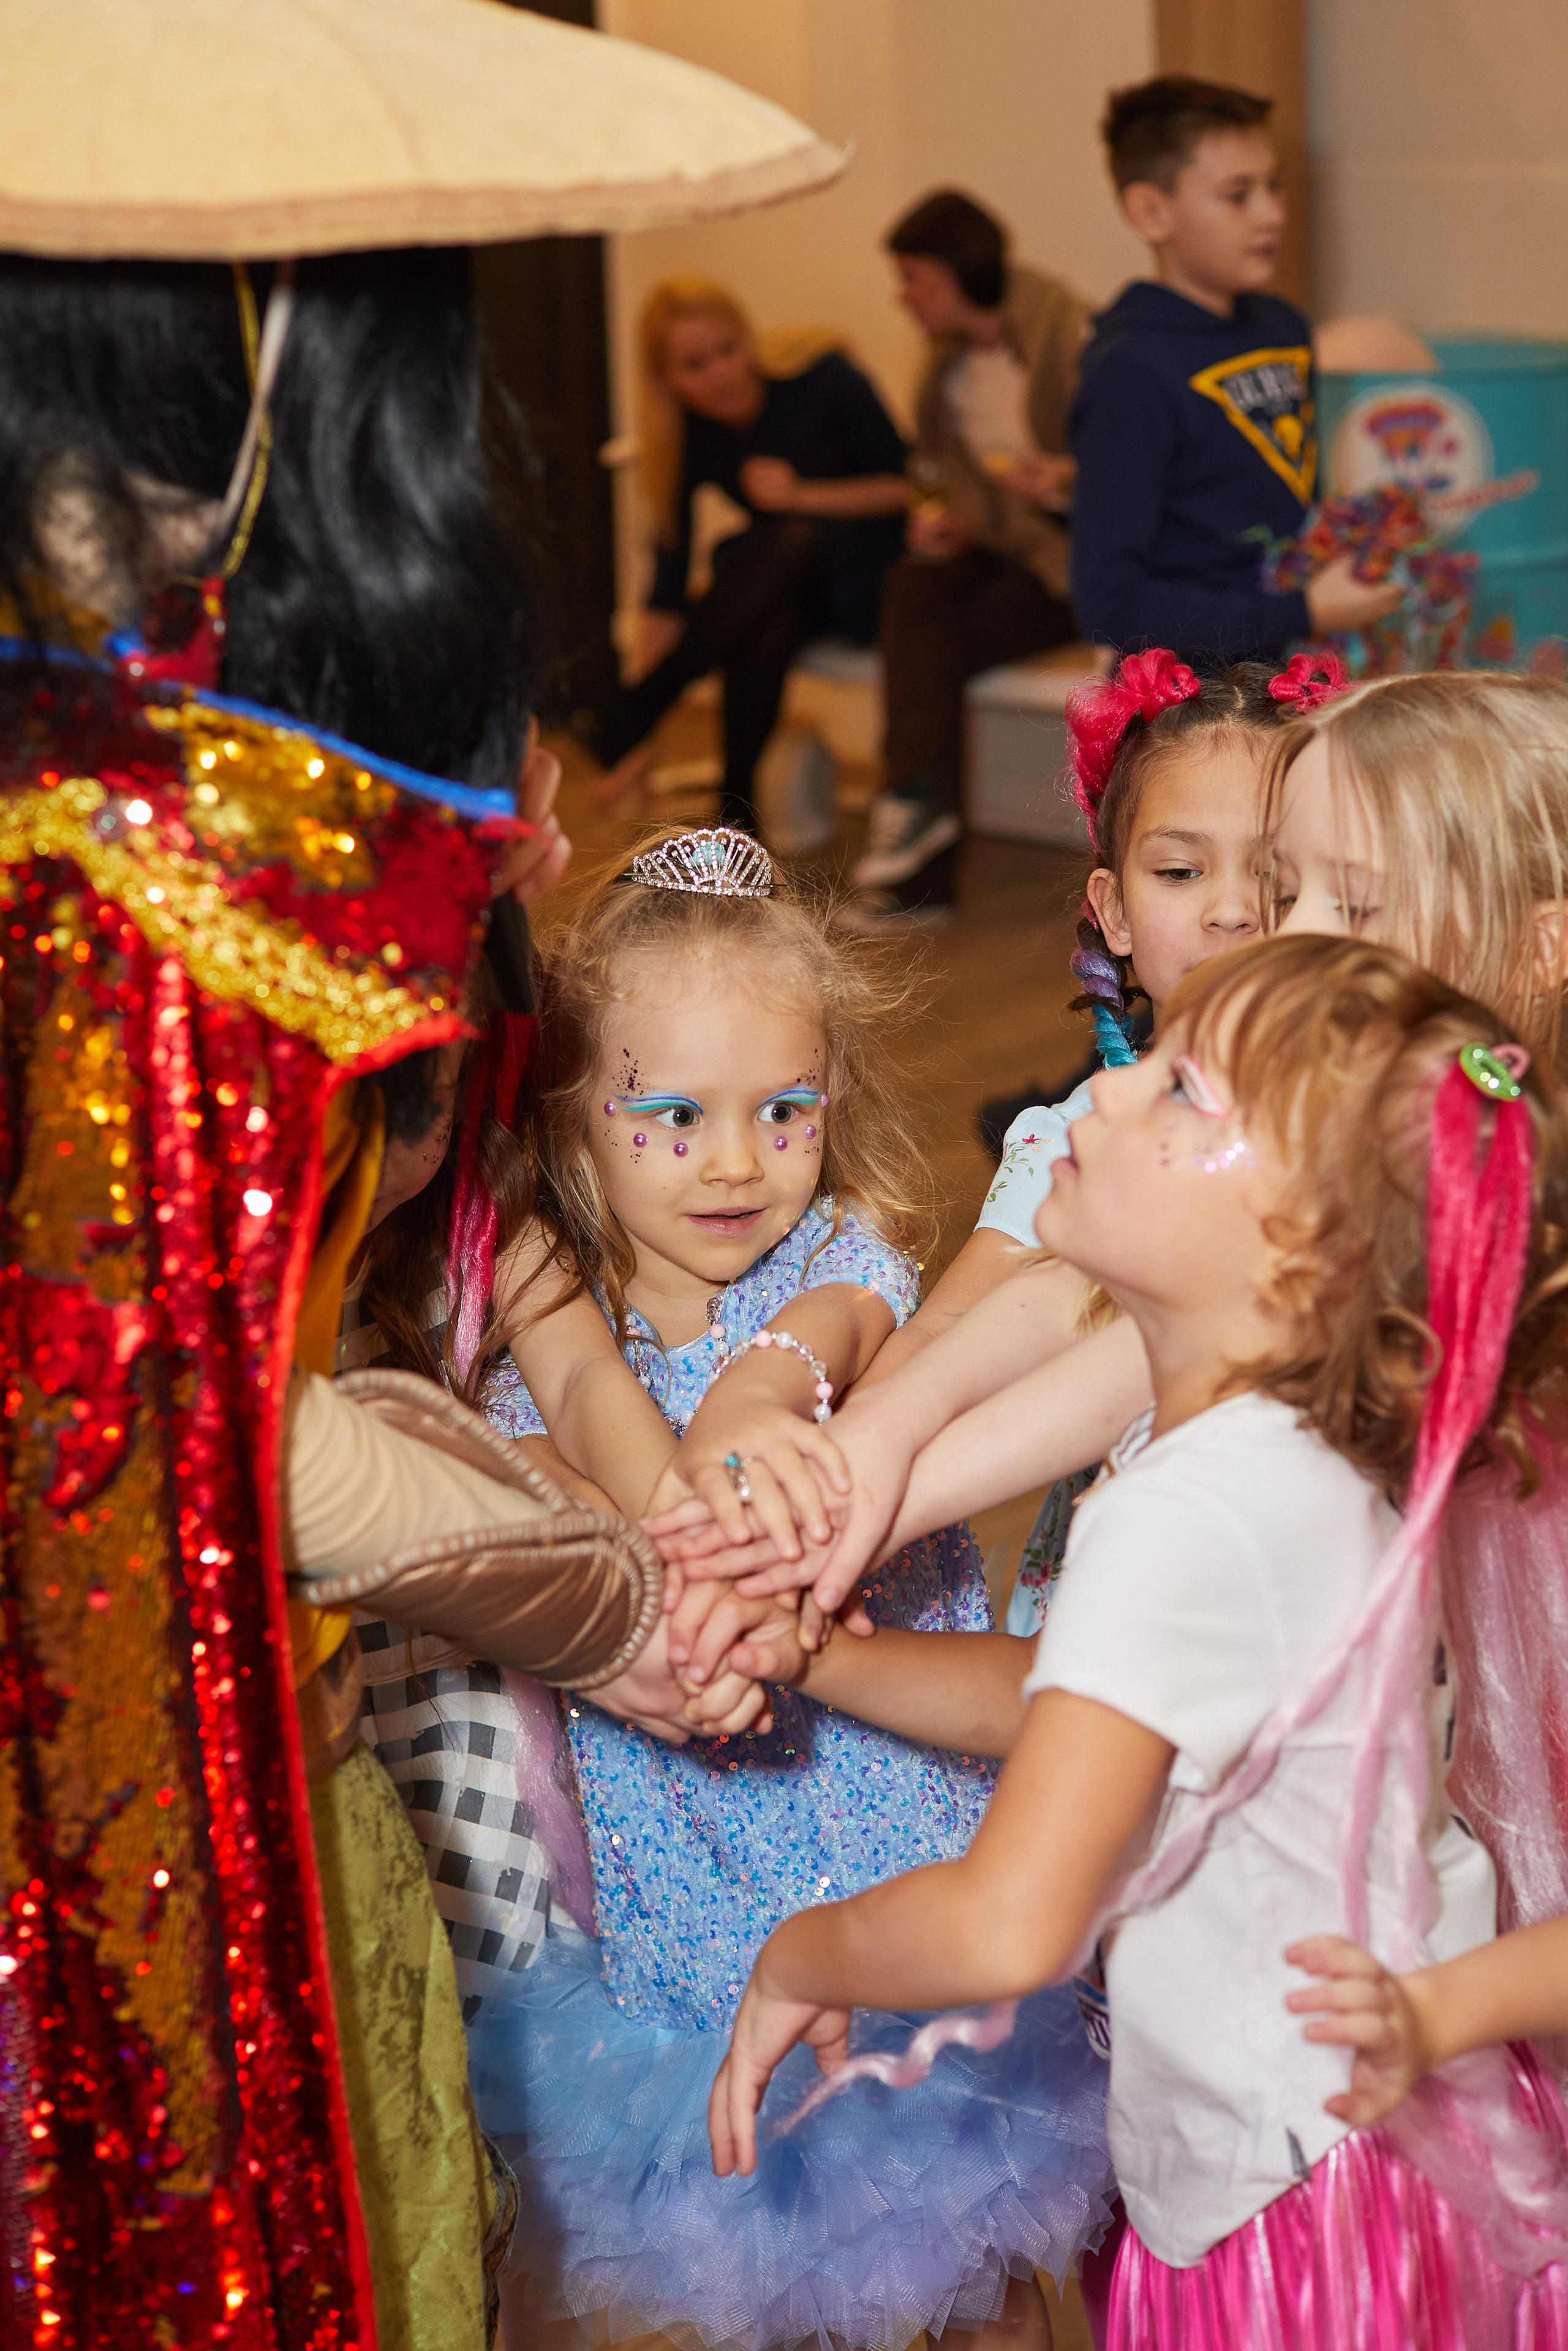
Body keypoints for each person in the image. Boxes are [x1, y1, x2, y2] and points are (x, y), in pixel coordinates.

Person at [703, 930, 1568, 2346]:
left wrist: (802, 1953)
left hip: (1292, 2215)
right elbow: (1090, 1711)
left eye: (1180, 1095)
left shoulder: (1185, 1512)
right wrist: (826, 1658)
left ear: (1302, 1258)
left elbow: (1009, 1918)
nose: (1100, 1093)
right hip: (1371, 2153)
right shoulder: (1280, 1458)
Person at [438, 826, 1113, 2351]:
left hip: (901, 1865)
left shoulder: (844, 1271)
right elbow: (553, 1471)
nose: (736, 1160)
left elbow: (828, 1324)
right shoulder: (545, 1334)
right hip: (692, 1908)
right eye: (670, 1116)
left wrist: (760, 1389)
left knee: (968, 2244)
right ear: (571, 1115)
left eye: (782, 1109)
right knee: (722, 2257)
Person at [650, 671, 1568, 1636]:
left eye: (1353, 904)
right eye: (1291, 892)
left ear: (1538, 947)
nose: (1276, 934)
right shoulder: (1301, 1123)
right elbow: (1092, 1316)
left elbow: (1161, 1339)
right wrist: (870, 1461)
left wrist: (865, 1492)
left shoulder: (1464, 1176)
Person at [1070, 76, 1402, 666]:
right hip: (1188, 712)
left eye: (1274, 186)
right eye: (1238, 194)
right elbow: (1110, 604)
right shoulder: (1130, 371)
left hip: (1286, 673)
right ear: (1150, 213)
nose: (1272, 214)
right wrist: (1302, 612)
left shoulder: (1282, 325)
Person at [848, 189, 1090, 928]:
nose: (903, 298)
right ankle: (916, 817)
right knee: (914, 584)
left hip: (1072, 561)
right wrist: (953, 522)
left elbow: (1130, 472)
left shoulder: (1075, 340)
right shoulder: (948, 368)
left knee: (930, 635)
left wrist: (1061, 479)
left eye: (913, 277)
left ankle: (919, 851)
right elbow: (959, 477)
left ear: (956, 273)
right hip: (1002, 547)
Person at [589, 279, 910, 834]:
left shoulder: (826, 379)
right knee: (765, 618)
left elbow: (907, 488)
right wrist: (648, 748)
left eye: (727, 350)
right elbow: (667, 587)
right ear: (667, 379)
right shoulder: (687, 436)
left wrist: (803, 496)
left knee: (793, 541)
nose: (720, 374)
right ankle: (735, 813)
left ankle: (639, 710)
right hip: (783, 586)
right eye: (694, 365)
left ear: (747, 341)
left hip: (873, 571)